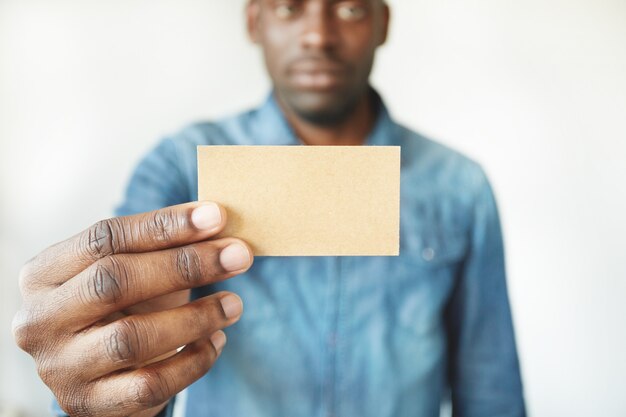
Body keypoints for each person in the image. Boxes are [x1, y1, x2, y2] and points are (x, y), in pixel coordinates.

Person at [12, 1, 526, 416]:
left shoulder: (458, 186)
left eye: (348, 10)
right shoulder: (181, 169)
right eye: (289, 7)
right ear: (253, 20)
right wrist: (97, 386)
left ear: (382, 22)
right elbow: (125, 374)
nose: (318, 36)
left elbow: (492, 394)